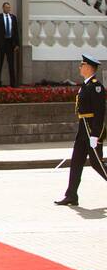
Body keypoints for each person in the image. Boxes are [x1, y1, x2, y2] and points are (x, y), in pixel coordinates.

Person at [55, 54, 106, 206]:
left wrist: (95, 134)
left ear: (89, 68)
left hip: (91, 129)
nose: (80, 67)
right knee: (76, 162)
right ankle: (71, 195)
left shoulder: (96, 86)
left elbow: (100, 112)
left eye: (82, 65)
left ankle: (71, 194)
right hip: (83, 128)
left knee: (97, 164)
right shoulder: (86, 85)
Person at [0, 2, 20, 87]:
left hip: (10, 44)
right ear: (3, 8)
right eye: (6, 7)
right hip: (0, 44)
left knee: (11, 64)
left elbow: (16, 31)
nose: (8, 9)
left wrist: (17, 44)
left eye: (9, 8)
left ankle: (13, 83)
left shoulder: (13, 17)